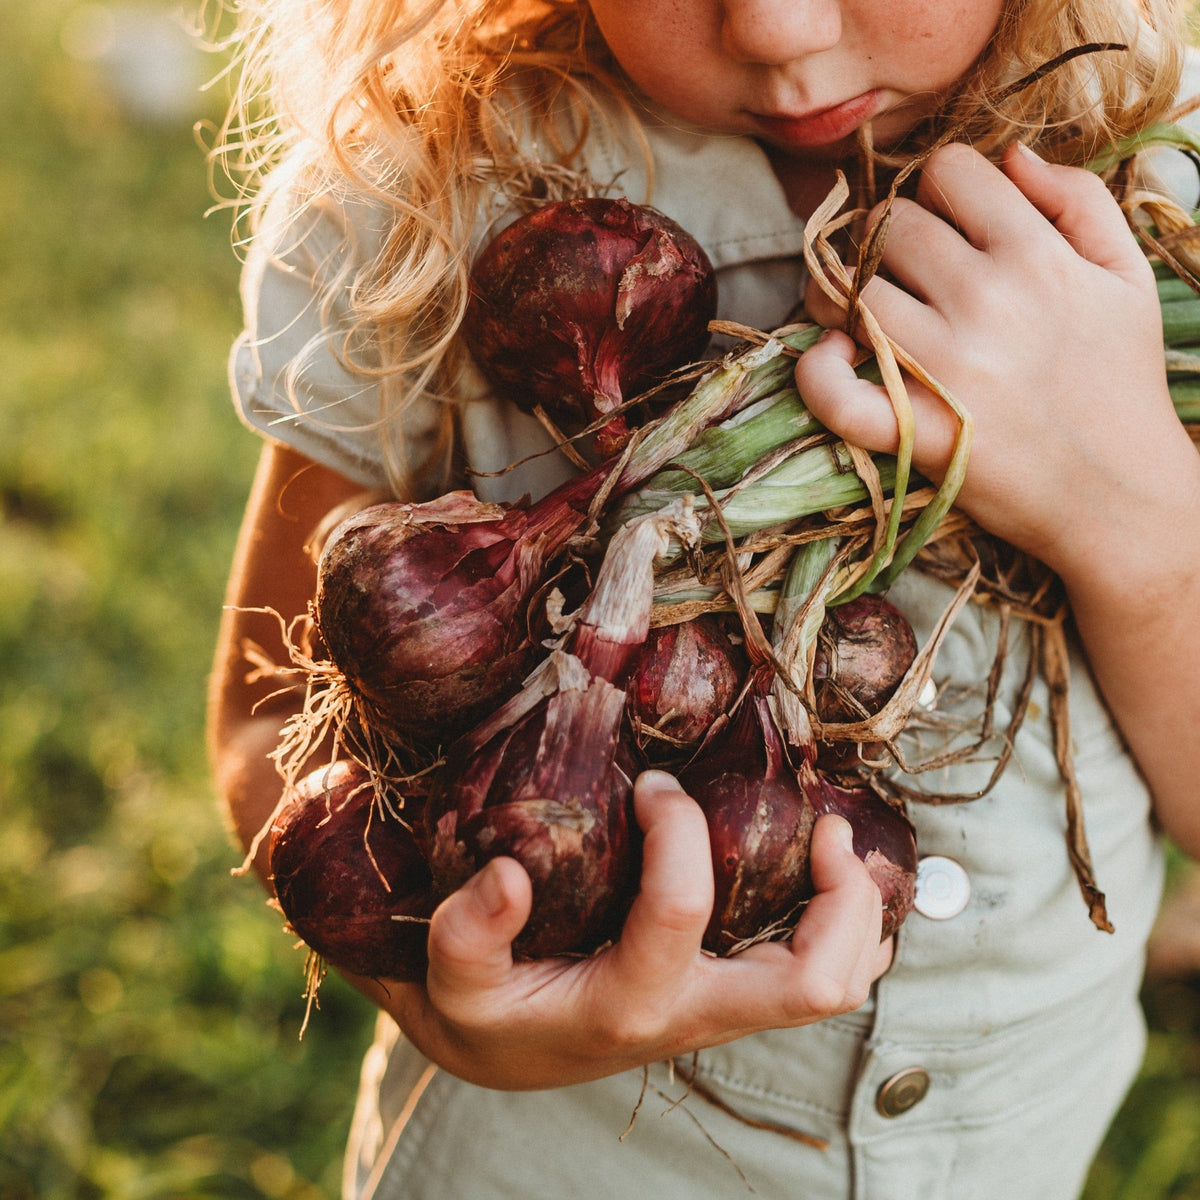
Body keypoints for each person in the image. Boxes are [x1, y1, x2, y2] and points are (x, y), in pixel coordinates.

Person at [206, 1, 1200, 1197]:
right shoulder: (421, 190)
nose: (779, 29)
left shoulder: (1163, 186)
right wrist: (451, 996)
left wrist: (1131, 514)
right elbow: (271, 720)